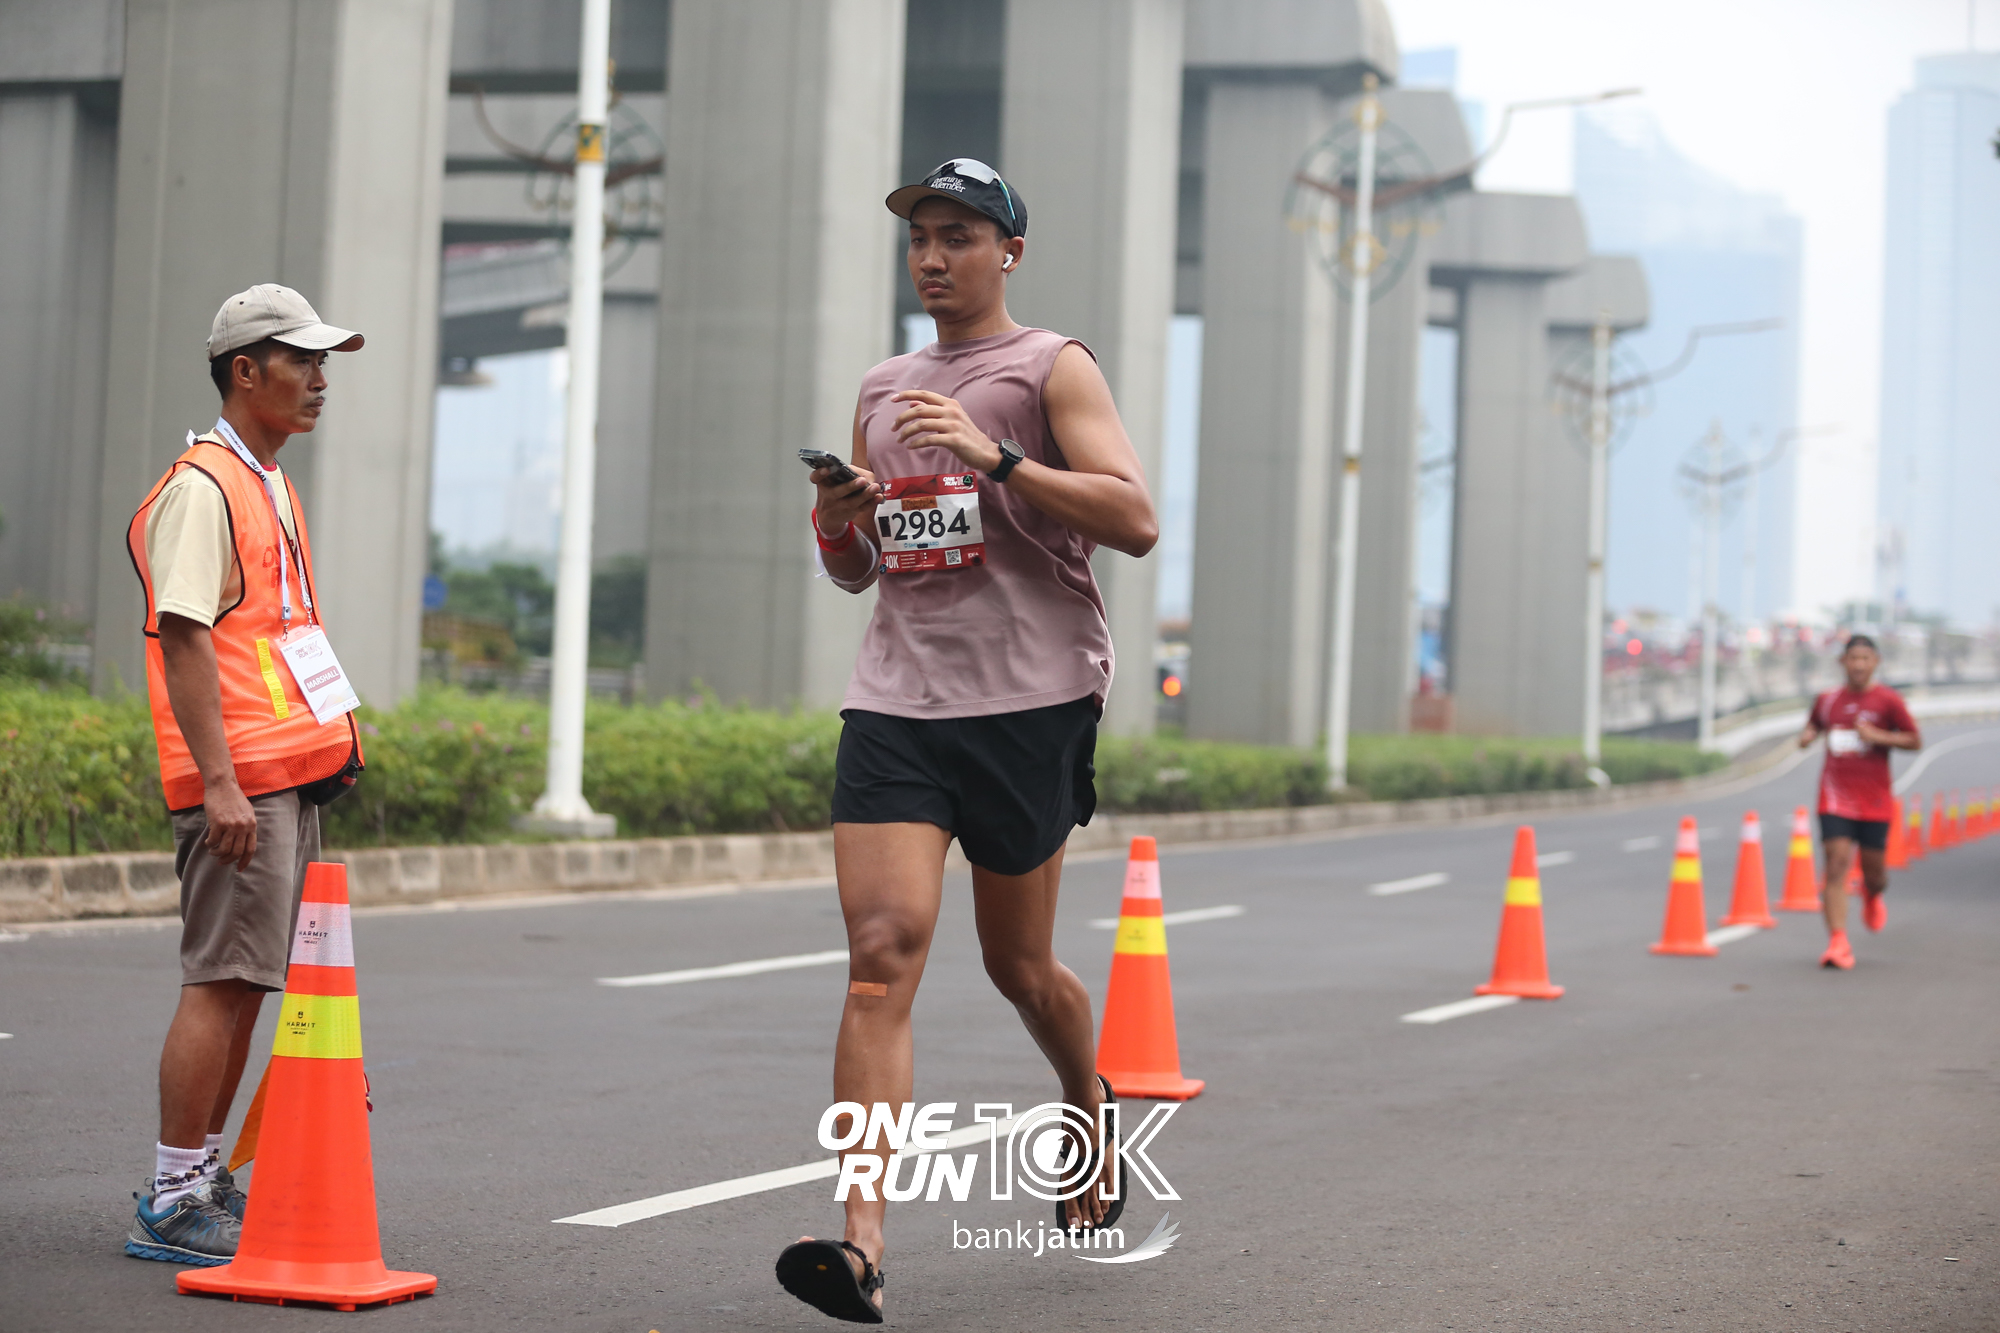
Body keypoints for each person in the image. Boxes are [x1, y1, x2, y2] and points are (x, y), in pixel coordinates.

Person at [774, 158, 1158, 1323]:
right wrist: (837, 519)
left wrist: (997, 458)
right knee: (880, 952)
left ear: (1008, 253)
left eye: (957, 236)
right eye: (919, 238)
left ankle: (1085, 1104)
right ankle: (861, 1244)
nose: (933, 257)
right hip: (899, 699)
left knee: (1017, 967)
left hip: (1030, 700)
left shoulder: (1051, 366)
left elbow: (1134, 518)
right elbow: (864, 569)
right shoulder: (884, 386)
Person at [123, 285, 366, 1264]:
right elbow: (183, 637)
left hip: (277, 776)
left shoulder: (265, 481)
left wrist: (326, 743)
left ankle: (199, 1172)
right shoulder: (205, 486)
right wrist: (219, 781)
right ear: (244, 370)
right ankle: (173, 1196)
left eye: (323, 361)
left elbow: (275, 634)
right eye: (302, 360)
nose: (320, 378)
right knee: (221, 979)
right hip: (239, 782)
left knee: (248, 981)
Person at [1796, 635, 1920, 970]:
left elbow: (1914, 740)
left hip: (1875, 800)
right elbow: (1814, 723)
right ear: (1843, 662)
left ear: (1876, 662)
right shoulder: (1828, 700)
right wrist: (1808, 735)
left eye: (1866, 658)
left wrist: (1878, 737)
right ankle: (1838, 942)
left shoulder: (1888, 700)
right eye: (1853, 658)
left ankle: (1873, 894)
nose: (1859, 664)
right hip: (1835, 797)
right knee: (1836, 864)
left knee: (1874, 874)